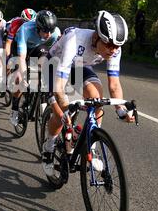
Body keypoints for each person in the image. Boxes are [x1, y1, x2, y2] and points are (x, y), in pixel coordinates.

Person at [41, 10, 135, 177]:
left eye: (117, 46)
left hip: (79, 65)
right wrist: (64, 108)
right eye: (108, 45)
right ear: (97, 36)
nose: (113, 50)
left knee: (97, 100)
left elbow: (114, 85)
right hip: (54, 65)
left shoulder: (114, 49)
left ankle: (90, 145)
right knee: (62, 113)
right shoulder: (75, 40)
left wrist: (121, 109)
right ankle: (48, 148)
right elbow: (59, 86)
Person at [9, 10, 61, 126]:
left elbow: (57, 55)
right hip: (20, 47)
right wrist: (21, 73)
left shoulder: (56, 33)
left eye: (50, 31)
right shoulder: (25, 29)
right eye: (45, 31)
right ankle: (15, 108)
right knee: (20, 81)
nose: (48, 34)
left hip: (38, 48)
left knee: (44, 64)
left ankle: (36, 93)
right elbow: (22, 57)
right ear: (37, 27)